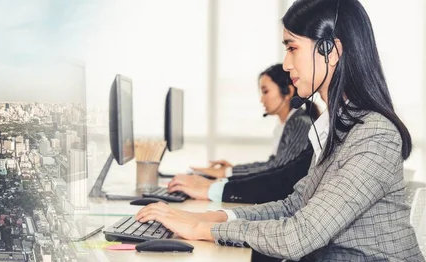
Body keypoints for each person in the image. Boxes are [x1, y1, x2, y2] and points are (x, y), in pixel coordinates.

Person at [135, 0, 425, 261]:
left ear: (331, 51)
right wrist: (214, 216)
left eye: (292, 48)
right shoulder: (336, 127)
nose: (286, 64)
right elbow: (294, 206)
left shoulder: (374, 134)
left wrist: (203, 227)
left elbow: (299, 236)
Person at [168, 64, 317, 202]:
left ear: (288, 91)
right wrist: (229, 172)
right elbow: (272, 165)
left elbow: (277, 171)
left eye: (265, 91)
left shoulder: (299, 124)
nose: (261, 99)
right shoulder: (288, 124)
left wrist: (226, 175)